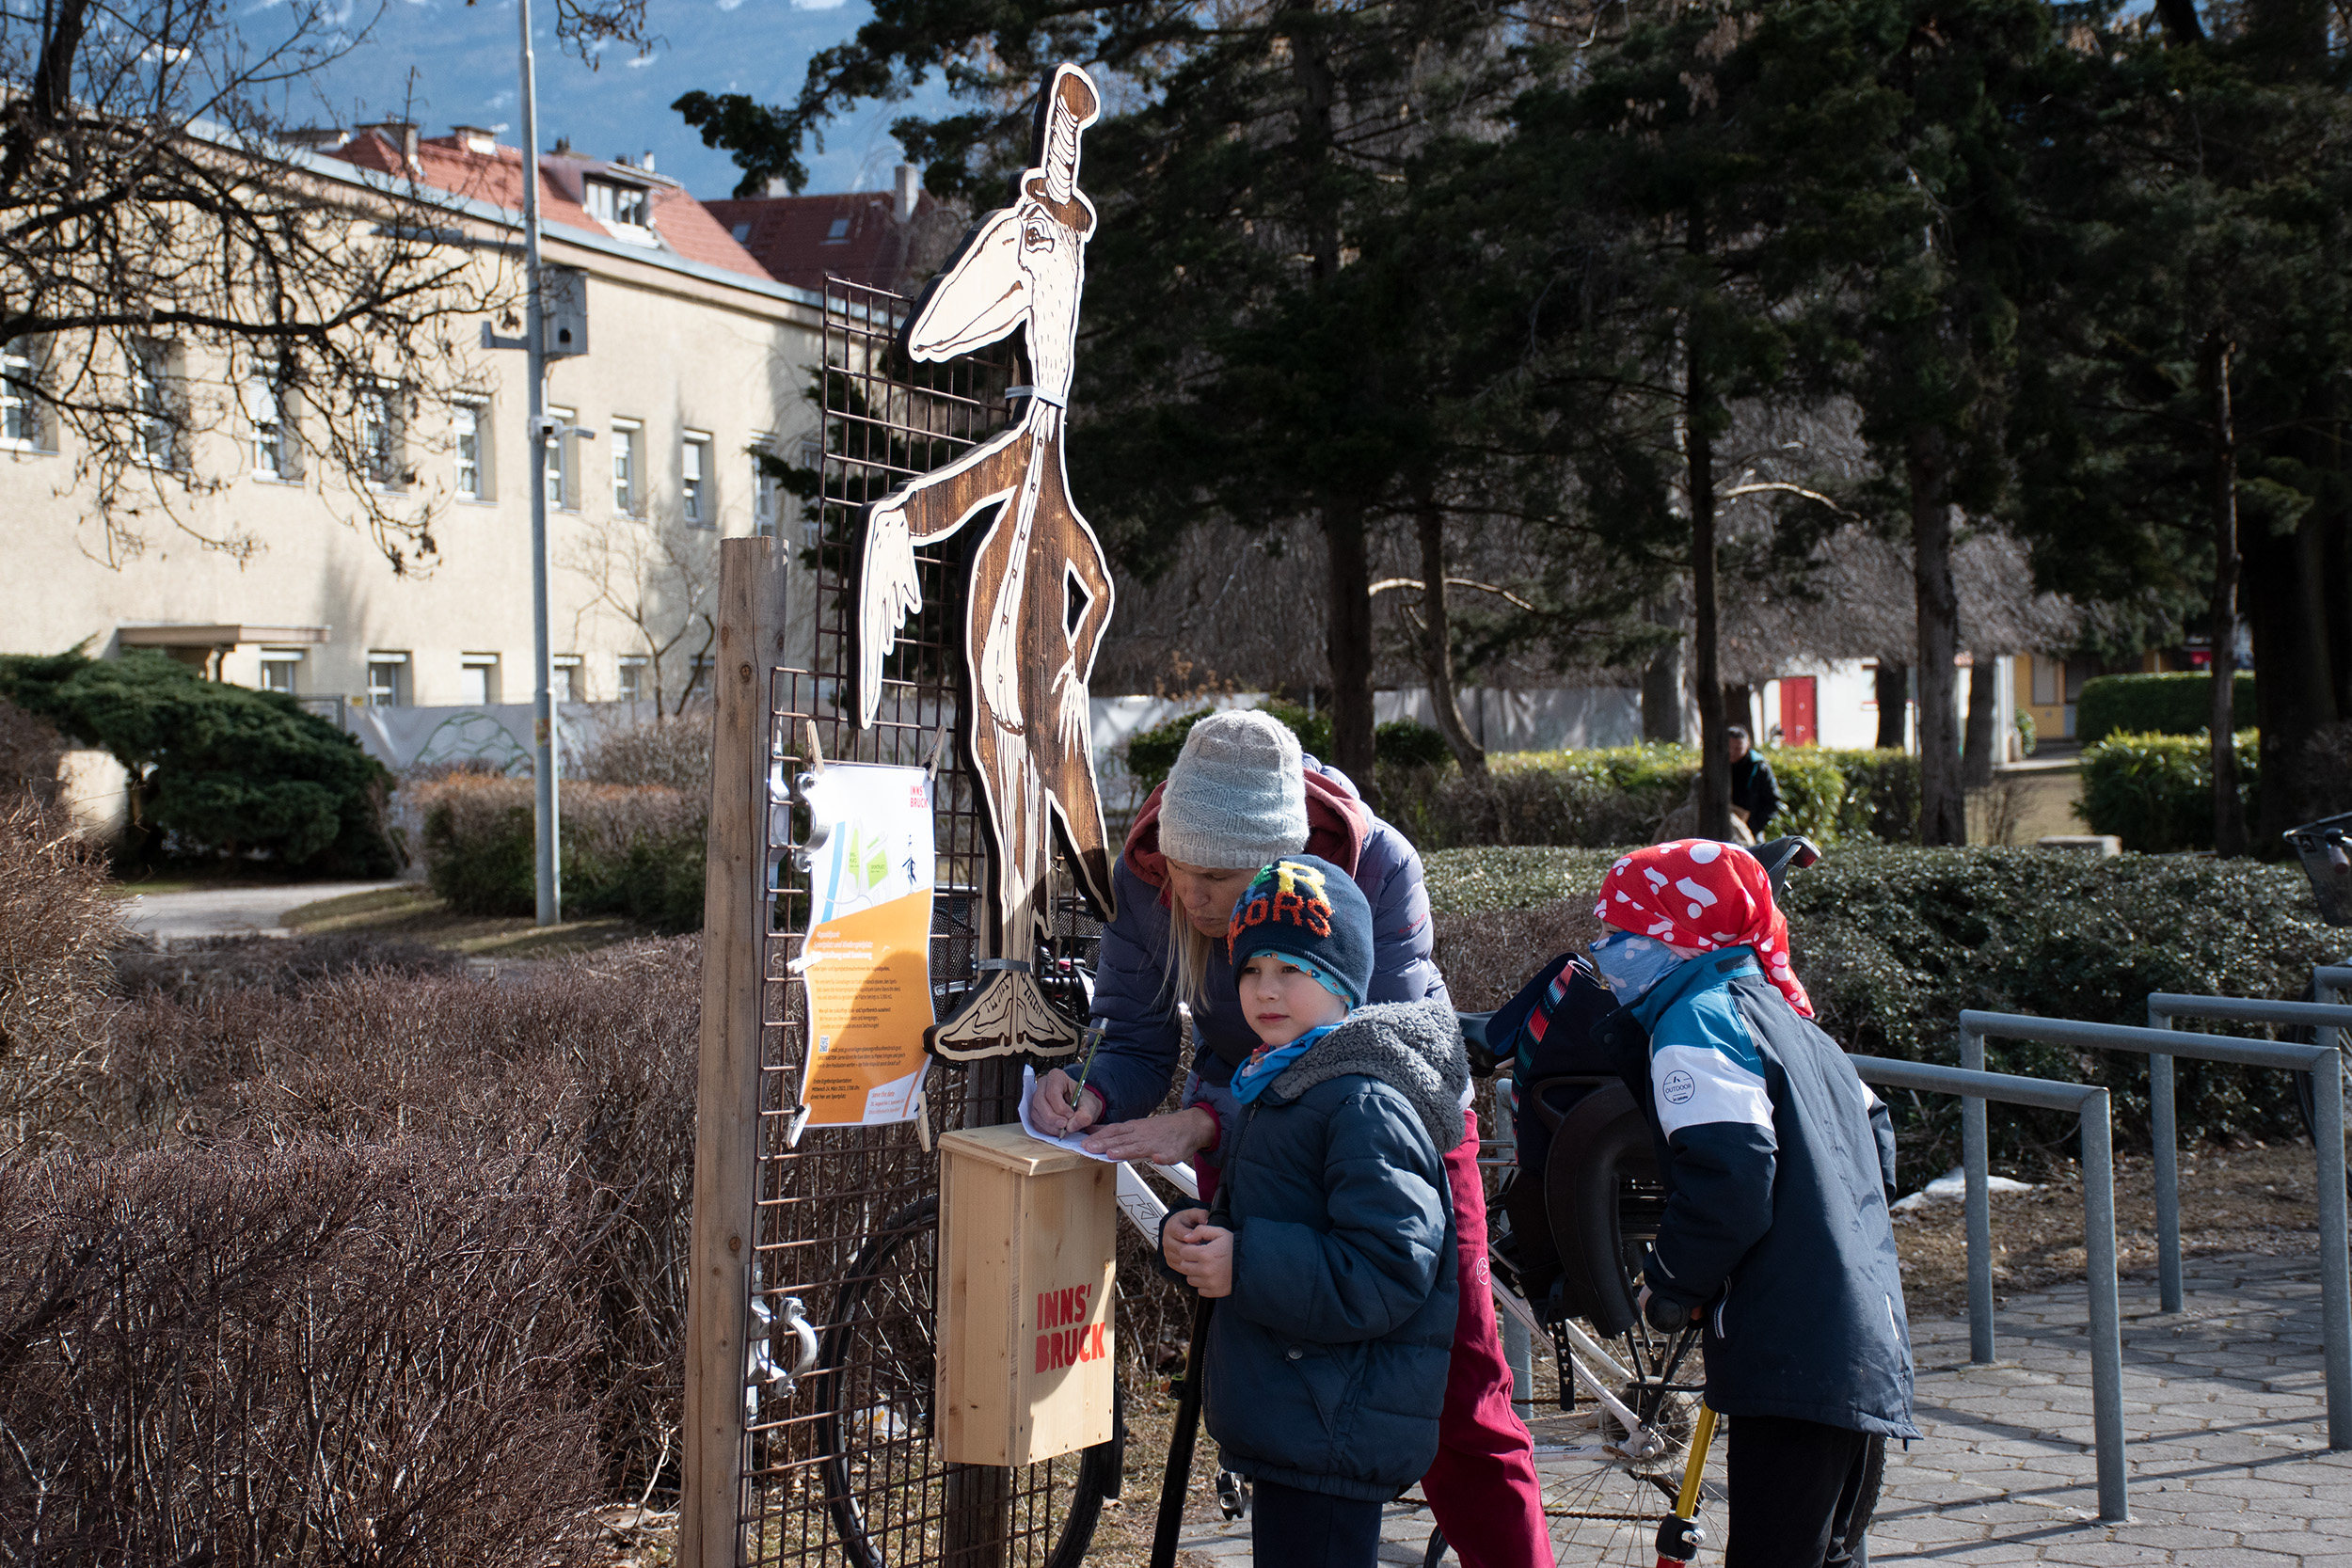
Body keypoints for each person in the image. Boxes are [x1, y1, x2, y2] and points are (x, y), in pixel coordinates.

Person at [1037, 709, 1553, 1568]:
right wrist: (1090, 1095)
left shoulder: (1377, 863)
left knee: (1458, 1388)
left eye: (1220, 879)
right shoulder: (1148, 871)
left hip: (1404, 1124)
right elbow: (1134, 1037)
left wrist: (1205, 1118)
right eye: (1178, 870)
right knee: (1285, 1364)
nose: (1191, 897)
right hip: (1251, 1117)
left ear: (1289, 866)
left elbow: (1375, 1065)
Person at [1590, 839, 1915, 1568]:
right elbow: (1876, 1137)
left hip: (1790, 1350)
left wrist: (1673, 1280)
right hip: (1863, 1339)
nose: (1604, 951)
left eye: (1622, 933)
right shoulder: (1787, 1017)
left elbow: (1731, 1174)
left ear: (1676, 937)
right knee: (1831, 1551)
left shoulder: (1696, 1020)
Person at [1161, 855, 1465, 1568]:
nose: (1265, 990)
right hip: (1301, 1412)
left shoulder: (1363, 1101)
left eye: (1292, 970)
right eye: (1249, 969)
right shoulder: (1288, 1081)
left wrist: (1246, 1260)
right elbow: (1283, 1220)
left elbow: (1389, 1267)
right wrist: (1202, 1240)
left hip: (1335, 1421)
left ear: (1343, 979)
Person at [1726, 724, 1781, 834]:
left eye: (1738, 748)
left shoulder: (1759, 767)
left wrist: (1754, 826)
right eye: (1729, 748)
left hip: (1751, 830)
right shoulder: (1715, 764)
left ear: (1747, 745)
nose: (1732, 752)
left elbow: (1772, 802)